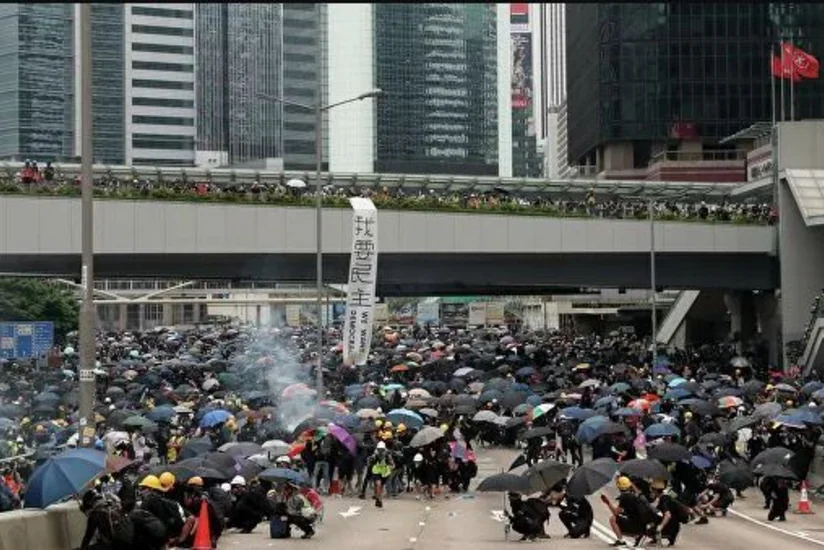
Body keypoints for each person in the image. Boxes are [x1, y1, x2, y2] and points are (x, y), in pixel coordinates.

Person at [601, 476, 652, 547]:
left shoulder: (625, 497)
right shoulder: (633, 495)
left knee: (613, 519)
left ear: (619, 487)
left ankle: (621, 541)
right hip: (642, 525)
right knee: (622, 518)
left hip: (637, 526)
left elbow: (615, 513)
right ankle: (637, 536)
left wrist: (608, 503)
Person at [364, 441, 394, 508]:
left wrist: (390, 467)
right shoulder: (374, 455)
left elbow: (392, 464)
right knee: (378, 484)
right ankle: (378, 499)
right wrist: (370, 462)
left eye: (382, 449)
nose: (380, 450)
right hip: (376, 472)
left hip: (384, 473)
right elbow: (368, 462)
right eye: (379, 449)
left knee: (381, 487)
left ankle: (378, 498)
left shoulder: (387, 455)